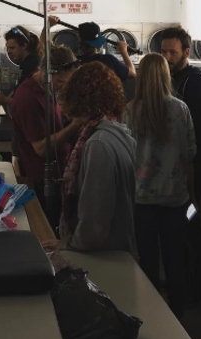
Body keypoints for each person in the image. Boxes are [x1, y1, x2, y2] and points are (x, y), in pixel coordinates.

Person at [124, 53, 196, 319]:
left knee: (147, 260)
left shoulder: (130, 110)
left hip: (141, 199)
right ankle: (177, 315)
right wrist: (193, 195)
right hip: (175, 198)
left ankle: (151, 317)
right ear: (167, 76)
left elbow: (126, 154)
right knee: (175, 259)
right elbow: (190, 152)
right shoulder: (180, 109)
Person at [42, 62, 137, 254]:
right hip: (118, 248)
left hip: (104, 255)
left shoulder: (98, 144)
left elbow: (95, 218)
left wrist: (70, 245)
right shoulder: (116, 132)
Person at [160, 25, 201, 304]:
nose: (167, 57)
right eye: (163, 52)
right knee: (177, 227)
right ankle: (182, 282)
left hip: (192, 170)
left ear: (186, 52)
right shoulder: (168, 79)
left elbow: (195, 132)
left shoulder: (195, 83)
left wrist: (190, 177)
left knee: (191, 222)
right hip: (173, 169)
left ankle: (197, 288)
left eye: (172, 52)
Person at [11, 45, 82, 202]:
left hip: (58, 170)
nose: (63, 87)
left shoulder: (45, 89)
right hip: (41, 180)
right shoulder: (28, 98)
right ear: (46, 71)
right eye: (60, 81)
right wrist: (76, 124)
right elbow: (41, 148)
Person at [0, 25, 42, 107]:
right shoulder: (28, 66)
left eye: (12, 48)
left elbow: (30, 103)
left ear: (24, 46)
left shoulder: (34, 68)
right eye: (7, 48)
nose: (8, 52)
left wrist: (5, 100)